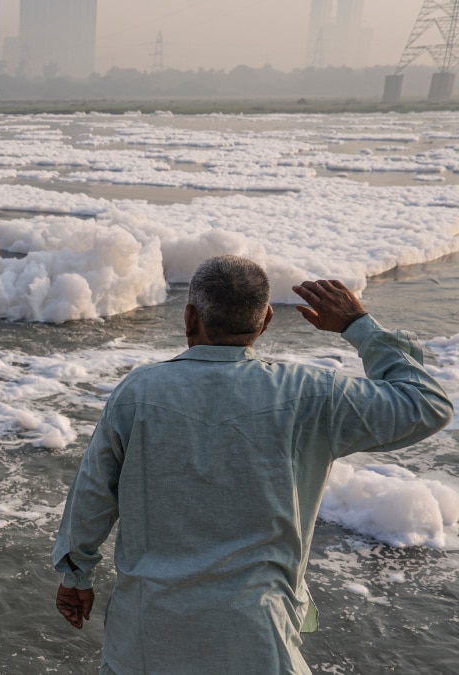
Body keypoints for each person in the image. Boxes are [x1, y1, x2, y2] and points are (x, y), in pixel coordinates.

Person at [51, 255, 453, 674]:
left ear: (189, 318)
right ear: (265, 323)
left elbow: (94, 493)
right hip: (258, 636)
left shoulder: (139, 392)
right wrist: (358, 326)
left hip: (146, 636)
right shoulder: (310, 394)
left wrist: (76, 575)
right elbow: (425, 404)